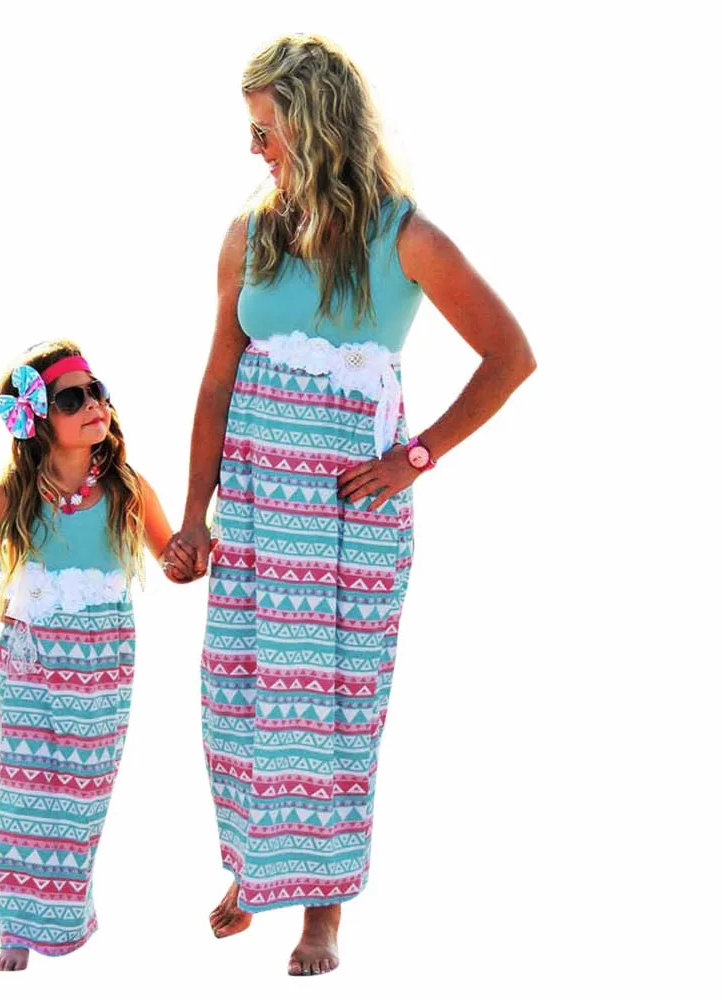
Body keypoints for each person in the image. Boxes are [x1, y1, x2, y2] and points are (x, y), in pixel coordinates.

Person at [160, 34, 537, 977]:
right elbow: (216, 383)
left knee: (330, 710)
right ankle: (257, 869)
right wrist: (194, 516)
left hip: (344, 525)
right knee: (240, 697)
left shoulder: (407, 236)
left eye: (265, 129)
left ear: (316, 122)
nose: (254, 148)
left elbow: (510, 355)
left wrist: (417, 455)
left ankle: (321, 915)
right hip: (254, 516)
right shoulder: (248, 236)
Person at [0, 340, 195, 970]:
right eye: (71, 399)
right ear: (39, 419)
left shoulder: (126, 488)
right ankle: (17, 928)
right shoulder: (12, 495)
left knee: (81, 796)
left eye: (97, 391)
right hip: (31, 662)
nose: (93, 405)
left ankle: (67, 918)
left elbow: (171, 560)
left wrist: (195, 551)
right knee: (26, 789)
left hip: (104, 663)